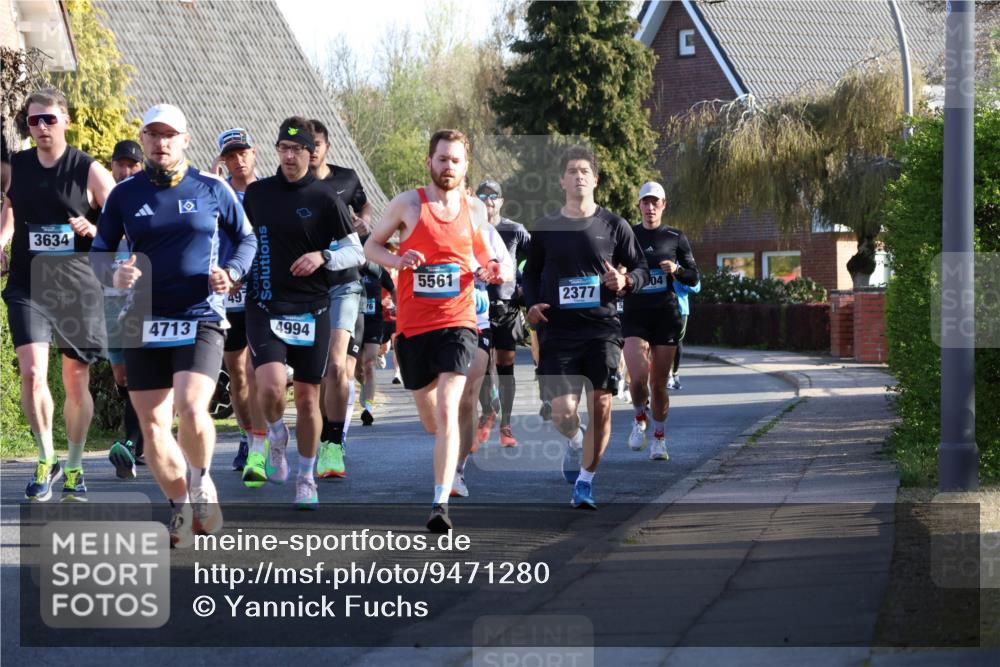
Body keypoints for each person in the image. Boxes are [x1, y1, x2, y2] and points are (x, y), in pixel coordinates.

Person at [91, 103, 257, 546]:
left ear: (185, 140)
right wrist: (114, 274)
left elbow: (246, 238)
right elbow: (101, 250)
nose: (161, 142)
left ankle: (202, 480)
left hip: (201, 314)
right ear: (143, 139)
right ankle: (180, 506)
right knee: (152, 429)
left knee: (190, 404)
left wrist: (233, 272)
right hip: (143, 318)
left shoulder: (211, 187)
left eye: (170, 135)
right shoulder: (124, 195)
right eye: (153, 134)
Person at [365, 129, 503, 533]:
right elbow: (371, 246)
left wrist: (488, 267)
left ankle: (440, 502)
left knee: (448, 409)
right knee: (431, 420)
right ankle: (446, 457)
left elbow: (483, 254)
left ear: (465, 166)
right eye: (442, 159)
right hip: (413, 329)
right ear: (430, 162)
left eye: (456, 160)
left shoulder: (474, 209)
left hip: (458, 322)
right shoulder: (408, 204)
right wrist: (397, 257)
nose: (448, 167)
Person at [240, 117, 361, 508]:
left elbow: (356, 251)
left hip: (313, 308)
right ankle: (276, 434)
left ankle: (306, 478)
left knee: (309, 399)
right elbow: (240, 240)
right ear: (276, 151)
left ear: (312, 153)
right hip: (265, 303)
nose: (290, 156)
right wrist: (236, 270)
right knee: (271, 386)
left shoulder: (326, 198)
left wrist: (322, 256)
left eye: (298, 150)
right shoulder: (257, 194)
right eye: (283, 149)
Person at [1, 87, 115, 501]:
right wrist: (2, 240)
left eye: (49, 119)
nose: (42, 127)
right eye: (34, 121)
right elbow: (10, 210)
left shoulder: (88, 170)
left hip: (75, 287)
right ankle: (46, 456)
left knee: (75, 377)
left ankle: (75, 464)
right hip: (28, 285)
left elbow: (124, 226)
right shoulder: (18, 166)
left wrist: (96, 230)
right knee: (32, 373)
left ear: (66, 120)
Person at [522, 146, 649, 510]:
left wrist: (625, 282)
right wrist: (530, 304)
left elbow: (640, 267)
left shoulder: (614, 226)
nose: (579, 176)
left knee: (602, 406)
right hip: (558, 331)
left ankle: (585, 482)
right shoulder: (546, 227)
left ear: (595, 179)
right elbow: (530, 272)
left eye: (585, 171)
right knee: (562, 412)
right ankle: (576, 440)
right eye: (572, 171)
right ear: (562, 180)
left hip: (602, 329)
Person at [307, 119, 368, 480]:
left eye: (317, 143)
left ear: (327, 146)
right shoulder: (290, 187)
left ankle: (332, 444)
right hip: (307, 287)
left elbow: (365, 209)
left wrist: (362, 223)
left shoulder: (346, 179)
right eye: (305, 144)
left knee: (335, 365)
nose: (311, 150)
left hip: (345, 282)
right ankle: (316, 435)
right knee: (312, 373)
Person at [621, 181, 698, 461]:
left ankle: (659, 439)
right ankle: (639, 417)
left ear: (663, 205)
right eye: (645, 202)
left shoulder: (676, 237)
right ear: (639, 205)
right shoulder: (628, 235)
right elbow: (615, 269)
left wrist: (676, 269)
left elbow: (694, 277)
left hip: (666, 316)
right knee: (638, 376)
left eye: (655, 202)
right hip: (635, 315)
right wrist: (620, 275)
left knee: (658, 384)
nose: (650, 207)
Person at [453, 220, 514, 497]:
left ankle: (457, 470)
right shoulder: (427, 222)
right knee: (442, 405)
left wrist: (495, 273)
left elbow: (508, 269)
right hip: (438, 320)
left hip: (476, 320)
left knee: (467, 396)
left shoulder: (486, 231)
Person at [214, 127, 260, 472]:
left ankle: (263, 436)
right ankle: (248, 436)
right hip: (228, 292)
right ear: (223, 160)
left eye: (242, 153)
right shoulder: (215, 193)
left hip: (263, 291)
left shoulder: (268, 193)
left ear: (254, 153)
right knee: (238, 373)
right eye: (231, 156)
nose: (238, 161)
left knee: (261, 371)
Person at [476, 179, 530, 447]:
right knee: (480, 365)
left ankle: (506, 426)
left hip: (506, 304)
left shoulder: (515, 230)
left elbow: (534, 261)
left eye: (492, 196)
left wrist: (523, 288)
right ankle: (488, 410)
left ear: (501, 201)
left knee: (505, 364)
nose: (487, 200)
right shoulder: (470, 228)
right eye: (482, 195)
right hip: (474, 305)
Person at [105, 140, 145, 479]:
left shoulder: (147, 202)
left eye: (133, 164)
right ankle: (139, 434)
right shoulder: (103, 203)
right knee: (121, 375)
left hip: (141, 304)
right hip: (108, 302)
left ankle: (134, 442)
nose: (127, 170)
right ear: (113, 166)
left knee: (136, 373)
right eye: (122, 164)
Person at [359, 259, 396, 426]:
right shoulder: (349, 266)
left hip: (374, 322)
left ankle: (368, 408)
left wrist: (397, 306)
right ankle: (363, 385)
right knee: (357, 369)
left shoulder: (378, 270)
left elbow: (393, 289)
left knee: (369, 364)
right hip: (353, 322)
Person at [670, 277, 700, 390]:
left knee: (677, 342)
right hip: (659, 309)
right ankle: (662, 375)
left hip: (680, 310)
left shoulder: (682, 264)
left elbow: (696, 287)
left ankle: (674, 373)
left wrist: (678, 277)